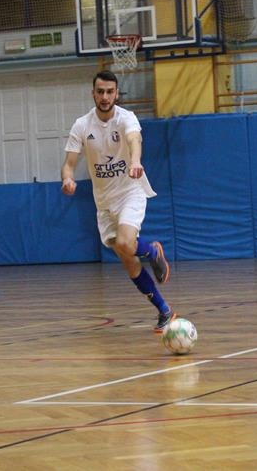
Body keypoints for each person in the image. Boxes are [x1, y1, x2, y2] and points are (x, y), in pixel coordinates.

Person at [61, 70, 176, 332]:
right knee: (127, 260)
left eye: (110, 92)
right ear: (93, 93)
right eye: (100, 92)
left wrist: (135, 162)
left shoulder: (126, 118)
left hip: (129, 192)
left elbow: (134, 140)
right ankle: (164, 311)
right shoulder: (82, 125)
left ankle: (152, 251)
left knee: (126, 243)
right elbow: (69, 163)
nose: (105, 97)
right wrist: (67, 179)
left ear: (116, 94)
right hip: (104, 203)